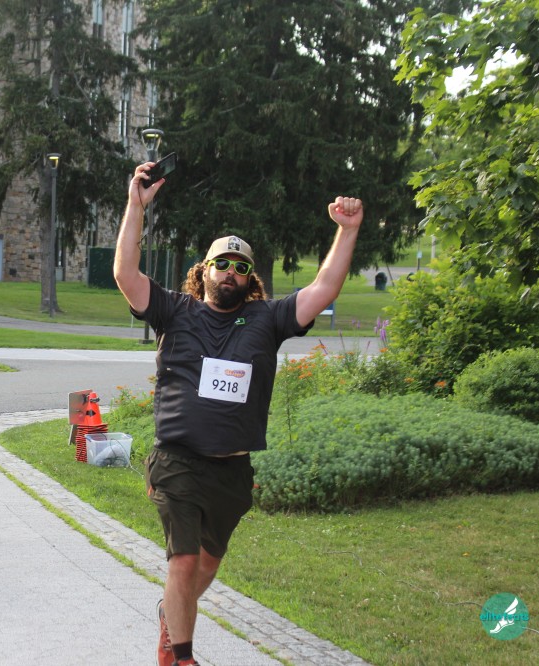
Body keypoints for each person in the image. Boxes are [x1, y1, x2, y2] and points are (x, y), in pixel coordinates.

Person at [113, 161, 363, 666]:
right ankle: (182, 656)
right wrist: (135, 206)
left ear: (250, 279)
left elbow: (324, 288)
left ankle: (170, 616)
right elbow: (126, 273)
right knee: (184, 563)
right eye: (222, 263)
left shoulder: (268, 319)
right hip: (178, 461)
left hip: (232, 469)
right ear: (203, 270)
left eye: (241, 267)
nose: (231, 272)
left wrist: (348, 229)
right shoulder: (174, 311)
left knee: (206, 567)